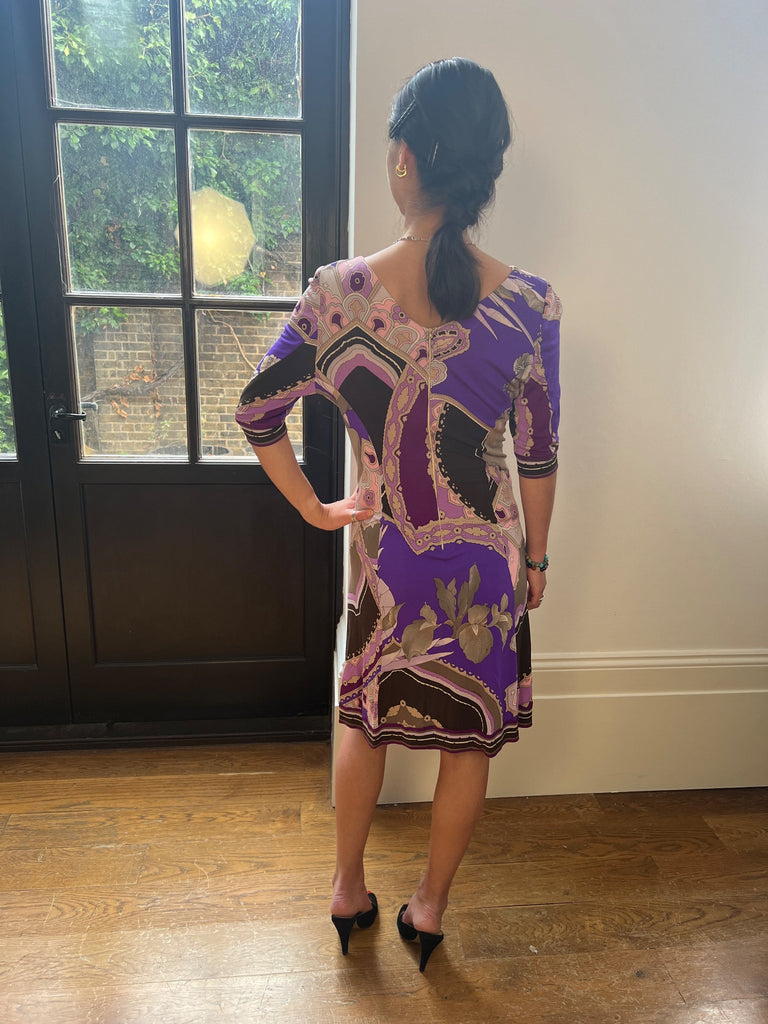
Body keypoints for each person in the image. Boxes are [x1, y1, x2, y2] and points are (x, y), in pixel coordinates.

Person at [235, 57, 561, 973]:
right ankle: (429, 910)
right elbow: (537, 454)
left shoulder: (338, 292)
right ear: (486, 172)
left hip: (387, 559)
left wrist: (316, 508)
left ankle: (347, 890)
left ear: (405, 158)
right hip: (488, 564)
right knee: (469, 745)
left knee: (362, 722)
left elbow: (257, 410)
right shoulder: (532, 305)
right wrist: (537, 560)